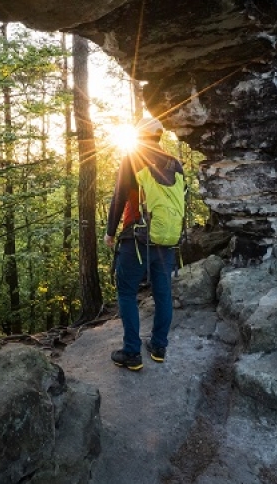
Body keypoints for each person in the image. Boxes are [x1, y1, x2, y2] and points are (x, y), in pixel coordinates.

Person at [103, 116, 183, 371]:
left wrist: (110, 232)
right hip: (167, 240)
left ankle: (132, 353)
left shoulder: (133, 158)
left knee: (126, 293)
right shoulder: (175, 164)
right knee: (163, 294)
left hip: (136, 240)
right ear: (158, 136)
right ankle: (159, 348)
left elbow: (118, 198)